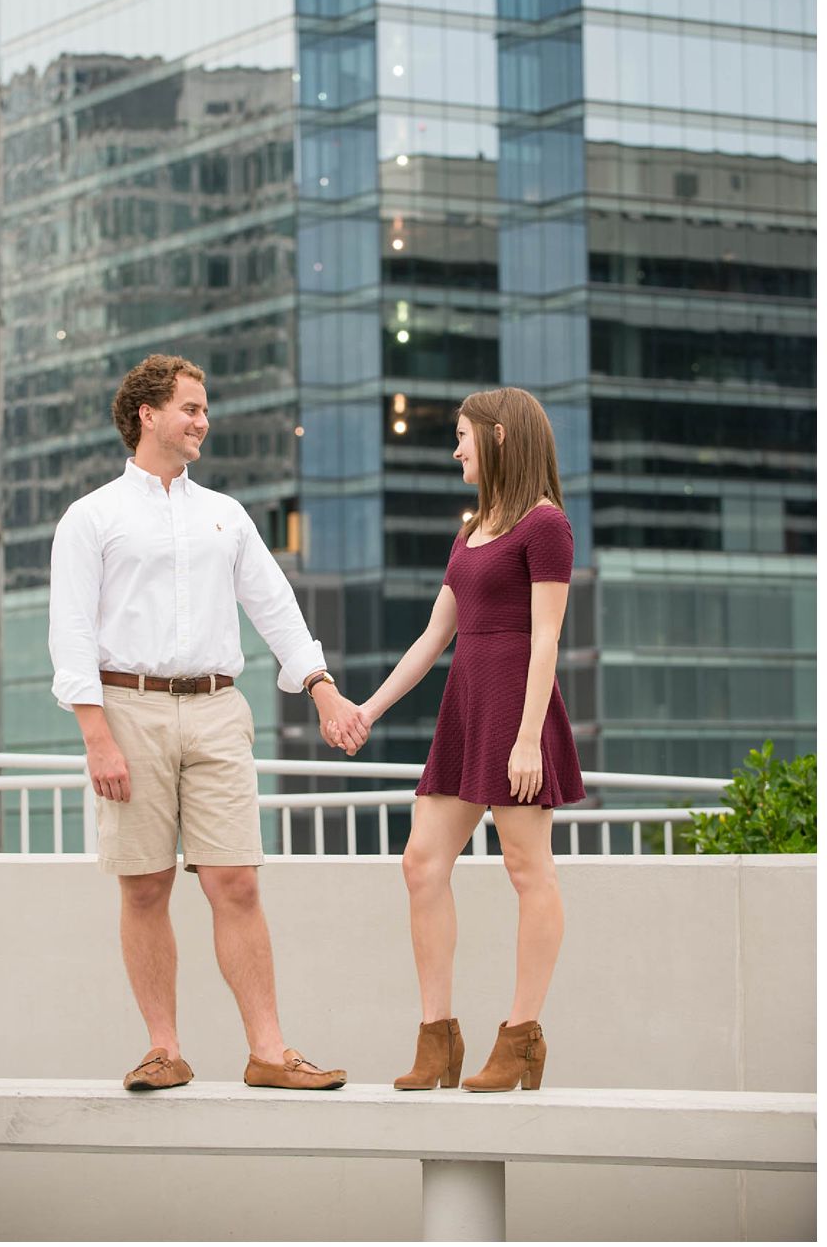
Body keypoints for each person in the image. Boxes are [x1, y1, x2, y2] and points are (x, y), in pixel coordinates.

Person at [49, 354, 365, 1095]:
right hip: (128, 708)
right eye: (190, 406)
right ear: (146, 414)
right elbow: (70, 632)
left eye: (205, 407)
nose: (203, 420)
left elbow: (275, 606)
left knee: (237, 882)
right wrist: (97, 734)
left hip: (221, 708)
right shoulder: (92, 516)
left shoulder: (225, 513)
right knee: (145, 885)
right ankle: (164, 1049)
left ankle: (269, 1050)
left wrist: (321, 688)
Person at [355, 386, 577, 1094]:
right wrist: (369, 708)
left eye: (462, 435)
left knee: (526, 869)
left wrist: (526, 740)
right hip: (465, 710)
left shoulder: (546, 526)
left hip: (518, 713)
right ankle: (437, 1038)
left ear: (501, 436)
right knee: (422, 862)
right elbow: (432, 638)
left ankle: (520, 1035)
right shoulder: (472, 529)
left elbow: (545, 637)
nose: (455, 449)